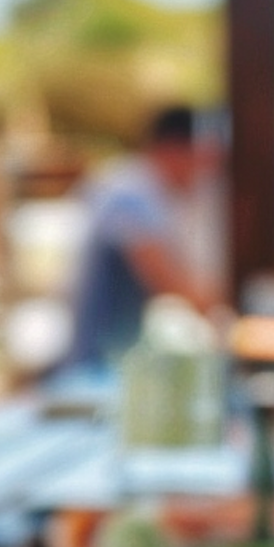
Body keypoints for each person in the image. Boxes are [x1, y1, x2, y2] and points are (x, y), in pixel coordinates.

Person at [65, 106, 226, 369]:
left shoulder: (140, 188)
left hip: (111, 356)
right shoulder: (132, 194)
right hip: (96, 363)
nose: (205, 173)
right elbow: (169, 281)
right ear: (175, 150)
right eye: (203, 158)